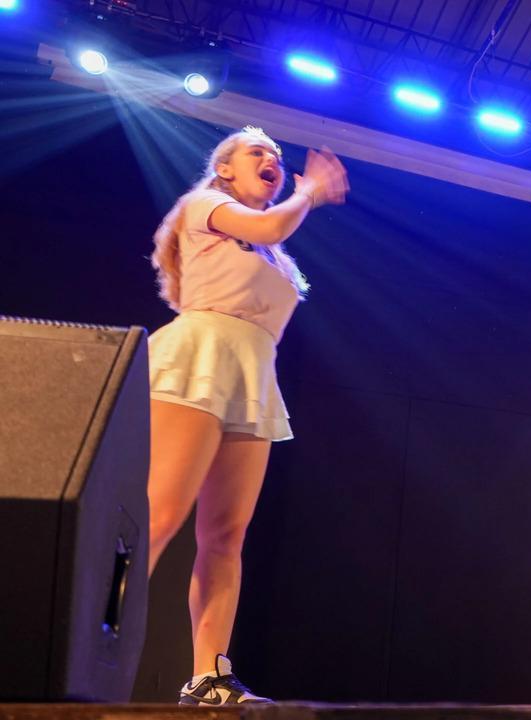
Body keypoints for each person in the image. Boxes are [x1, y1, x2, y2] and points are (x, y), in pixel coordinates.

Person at [145, 127, 348, 705]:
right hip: (199, 357)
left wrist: (299, 198)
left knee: (226, 537)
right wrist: (308, 192)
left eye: (276, 156)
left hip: (251, 373)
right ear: (225, 169)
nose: (271, 159)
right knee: (159, 516)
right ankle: (81, 639)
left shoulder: (271, 253)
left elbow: (271, 236)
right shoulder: (206, 204)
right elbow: (272, 224)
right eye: (257, 152)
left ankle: (209, 677)